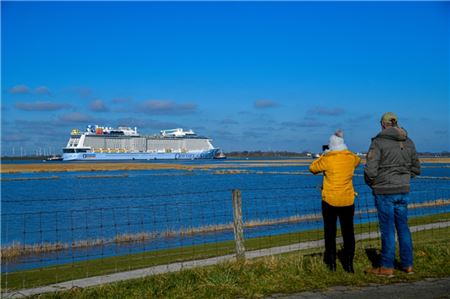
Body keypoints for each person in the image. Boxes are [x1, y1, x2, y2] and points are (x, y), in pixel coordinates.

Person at [364, 112, 420, 277]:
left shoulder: (378, 142)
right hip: (403, 189)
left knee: (387, 229)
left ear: (382, 124)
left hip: (384, 191)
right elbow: (416, 169)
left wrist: (372, 183)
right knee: (403, 227)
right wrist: (403, 178)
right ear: (396, 123)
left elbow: (370, 170)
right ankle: (407, 264)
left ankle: (387, 266)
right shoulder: (409, 142)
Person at [309, 130, 361, 272]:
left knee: (330, 233)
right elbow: (358, 160)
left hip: (330, 200)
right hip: (347, 200)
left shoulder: (327, 158)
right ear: (343, 145)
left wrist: (324, 154)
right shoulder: (350, 157)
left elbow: (312, 168)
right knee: (348, 233)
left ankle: (332, 265)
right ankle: (349, 265)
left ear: (331, 146)